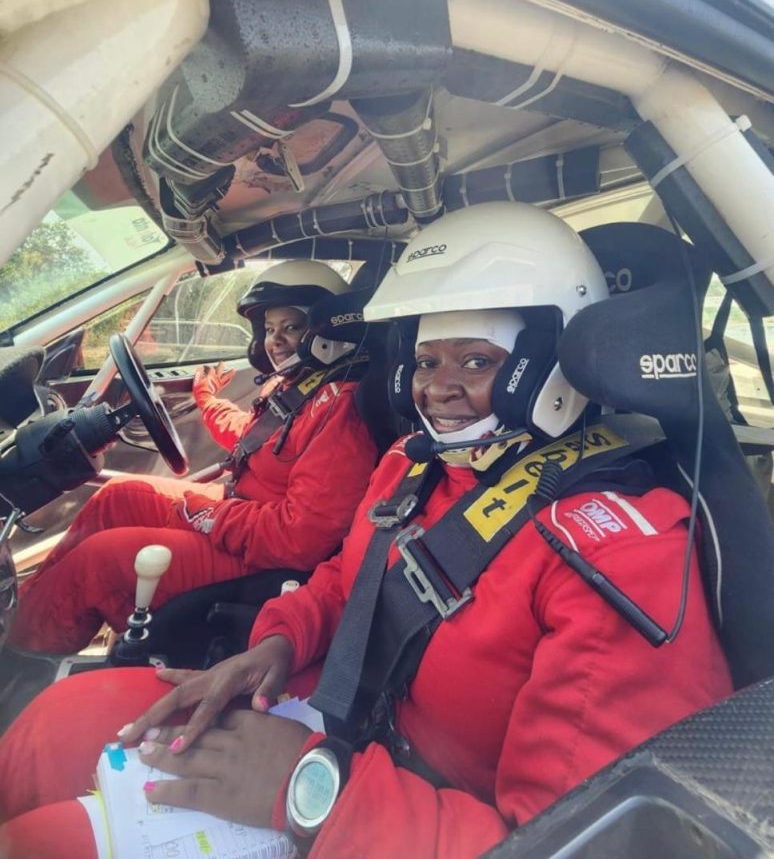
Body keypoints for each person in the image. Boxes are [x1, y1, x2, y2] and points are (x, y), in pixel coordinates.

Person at [0, 202, 732, 858]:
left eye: (477, 361)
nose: (436, 388)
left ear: (551, 363)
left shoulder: (617, 557)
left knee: (41, 845)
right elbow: (345, 581)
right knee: (53, 723)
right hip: (327, 713)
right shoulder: (414, 465)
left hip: (394, 809)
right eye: (425, 361)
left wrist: (307, 789)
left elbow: (574, 840)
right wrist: (281, 640)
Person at [9, 260, 378, 656]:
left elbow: (300, 539)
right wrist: (206, 399)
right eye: (269, 329)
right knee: (120, 494)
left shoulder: (341, 409)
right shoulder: (298, 384)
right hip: (241, 515)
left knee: (99, 563)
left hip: (266, 558)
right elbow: (252, 437)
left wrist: (207, 515)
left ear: (326, 328)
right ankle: (21, 613)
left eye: (291, 326)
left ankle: (19, 657)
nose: (275, 340)